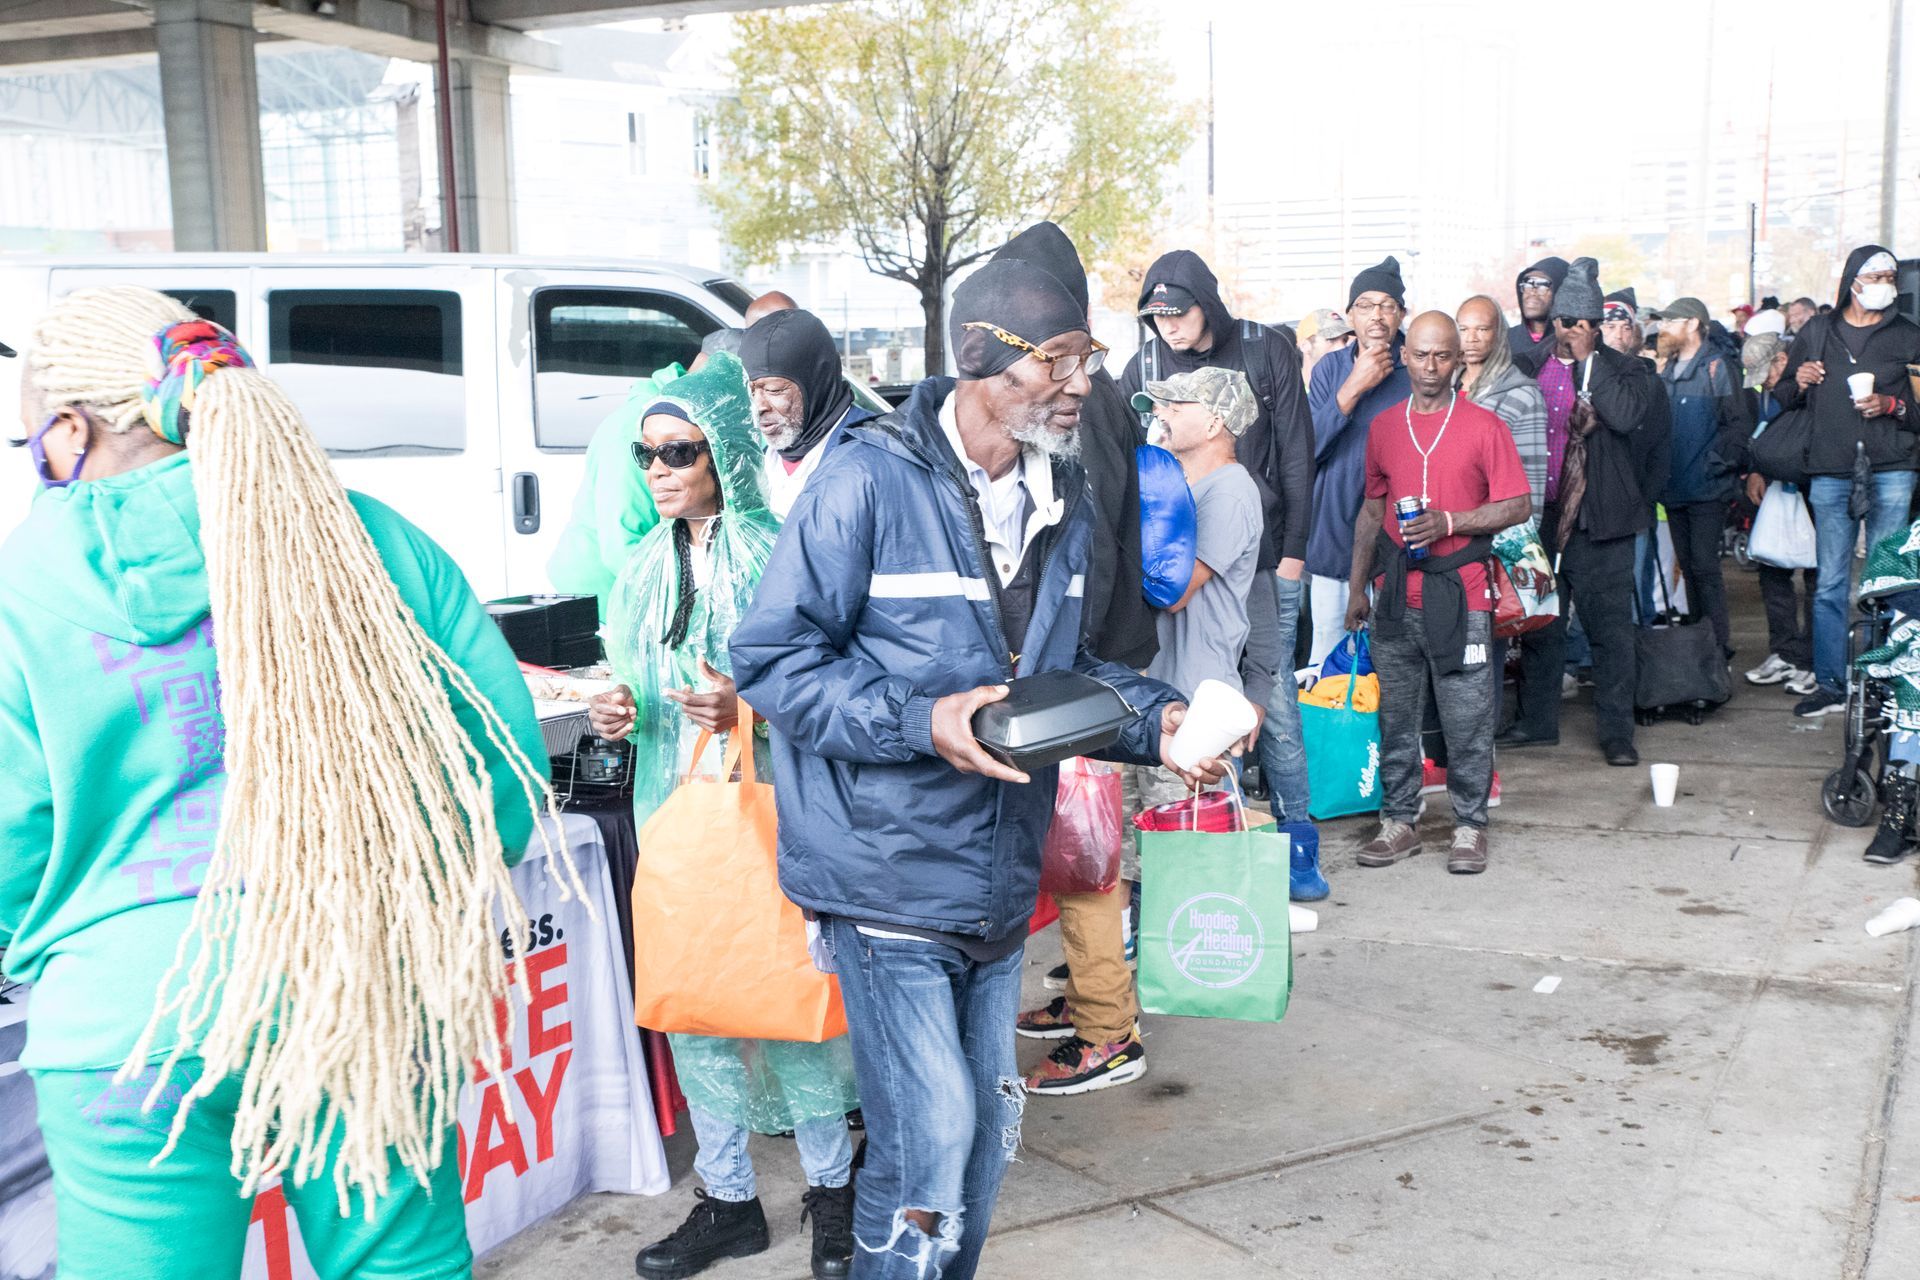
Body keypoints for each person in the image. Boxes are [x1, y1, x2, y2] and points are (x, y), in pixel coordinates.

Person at [1, 287, 550, 1277]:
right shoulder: (365, 535)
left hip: (128, 1021)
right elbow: (498, 766)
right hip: (358, 984)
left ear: (74, 429)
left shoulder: (21, 578)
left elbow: (12, 834)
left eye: (28, 445)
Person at [731, 259, 1225, 1280]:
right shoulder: (866, 479)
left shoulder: (1068, 493)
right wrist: (925, 719)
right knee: (932, 1137)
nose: (1083, 380)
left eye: (1088, 356)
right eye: (1061, 357)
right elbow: (772, 660)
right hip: (883, 878)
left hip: (996, 878)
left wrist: (1160, 721)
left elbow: (1064, 677)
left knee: (983, 1139)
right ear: (978, 357)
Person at [586, 354, 860, 1280]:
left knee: (792, 1000)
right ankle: (729, 1199)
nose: (659, 469)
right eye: (646, 454)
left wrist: (746, 706)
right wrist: (616, 713)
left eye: (679, 450)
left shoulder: (784, 548)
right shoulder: (636, 570)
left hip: (776, 811)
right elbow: (628, 675)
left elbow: (832, 681)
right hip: (675, 818)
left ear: (727, 452)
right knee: (697, 998)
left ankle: (833, 1191)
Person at [1017, 366, 1267, 1096]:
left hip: (1183, 695)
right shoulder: (1171, 479)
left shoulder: (1229, 490)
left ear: (1216, 420)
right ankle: (1097, 996)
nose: (1162, 416)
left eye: (1178, 405)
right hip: (1147, 688)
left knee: (1120, 865)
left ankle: (1112, 1025)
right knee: (1102, 857)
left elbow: (1172, 584)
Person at [1120, 250, 1315, 839]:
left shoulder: (1263, 353)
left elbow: (1298, 458)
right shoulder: (1148, 370)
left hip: (1264, 565)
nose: (1168, 327)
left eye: (1175, 406)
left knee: (1273, 708)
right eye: (1157, 317)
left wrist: (1292, 559)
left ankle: (1296, 838)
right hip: (1177, 654)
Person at [1344, 313, 1531, 873]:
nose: (1431, 366)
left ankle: (1470, 825)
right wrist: (1358, 588)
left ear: (1459, 360)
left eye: (1443, 356)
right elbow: (1372, 511)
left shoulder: (1483, 426)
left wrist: (1451, 521)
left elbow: (1518, 505)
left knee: (1467, 718)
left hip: (1464, 593)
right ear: (1404, 356)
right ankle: (1399, 821)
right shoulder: (1383, 427)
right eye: (1421, 355)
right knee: (1396, 717)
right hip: (1396, 594)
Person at [1504, 258, 1661, 765]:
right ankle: (1538, 722)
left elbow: (1624, 416)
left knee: (1609, 632)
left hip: (1602, 523)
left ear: (1595, 326)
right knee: (1543, 625)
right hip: (1544, 518)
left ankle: (1617, 733)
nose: (1566, 330)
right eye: (1561, 320)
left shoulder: (1630, 372)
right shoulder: (1529, 366)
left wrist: (1588, 362)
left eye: (1577, 322)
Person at [1774, 245, 1920, 717]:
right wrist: (1798, 379)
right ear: (1853, 280)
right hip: (1830, 469)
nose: (1886, 283)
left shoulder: (1909, 336)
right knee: (1830, 583)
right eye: (1877, 274)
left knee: (1887, 582)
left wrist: (1892, 406)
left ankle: (1880, 685)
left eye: (1891, 276)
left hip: (1893, 468)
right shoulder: (1818, 331)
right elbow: (1780, 398)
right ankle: (1832, 684)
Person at [1307, 256, 1412, 663]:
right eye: (1365, 305)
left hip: (1395, 529)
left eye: (1388, 305)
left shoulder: (1414, 366)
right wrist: (1354, 386)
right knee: (1327, 652)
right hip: (1334, 529)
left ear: (1402, 313)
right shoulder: (1330, 368)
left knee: (1392, 656)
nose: (1377, 316)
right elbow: (1310, 447)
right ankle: (1329, 728)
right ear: (1350, 314)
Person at [1647, 296, 1753, 658]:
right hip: (1675, 488)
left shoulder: (1717, 367)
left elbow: (1738, 425)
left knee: (1706, 568)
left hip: (1707, 489)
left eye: (1670, 322)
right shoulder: (1668, 369)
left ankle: (1718, 647)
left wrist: (1715, 462)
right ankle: (1698, 647)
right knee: (1690, 570)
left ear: (1693, 324)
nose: (1663, 329)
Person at [742, 308, 877, 519]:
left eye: (774, 390)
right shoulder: (756, 458)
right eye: (751, 391)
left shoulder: (871, 456)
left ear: (816, 383)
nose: (758, 406)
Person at [1739, 332, 1816, 692]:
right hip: (1776, 488)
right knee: (1772, 569)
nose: (1764, 384)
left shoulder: (1808, 384)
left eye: (1766, 374)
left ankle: (1813, 659)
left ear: (1782, 361)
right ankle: (1784, 651)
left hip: (1813, 485)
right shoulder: (1768, 393)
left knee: (1818, 574)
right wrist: (1757, 469)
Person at [1509, 255, 1570, 376]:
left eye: (1542, 285)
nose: (1532, 292)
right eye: (1527, 284)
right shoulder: (1506, 340)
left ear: (1561, 292)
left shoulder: (1574, 343)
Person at [1298, 307, 1355, 382]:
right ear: (1305, 346)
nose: (1343, 347)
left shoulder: (1353, 383)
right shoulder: (1289, 388)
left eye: (1345, 340)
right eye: (1331, 339)